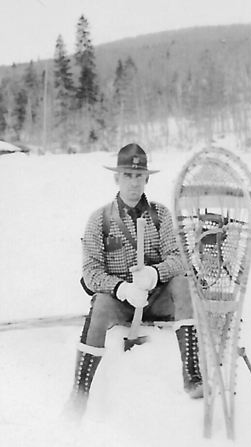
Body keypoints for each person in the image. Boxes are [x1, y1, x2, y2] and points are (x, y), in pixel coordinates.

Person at [64, 143, 203, 420]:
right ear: (117, 178)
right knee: (100, 304)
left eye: (139, 176)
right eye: (127, 175)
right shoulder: (99, 220)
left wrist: (154, 274)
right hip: (121, 303)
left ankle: (193, 375)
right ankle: (79, 393)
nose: (133, 183)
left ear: (147, 179)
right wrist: (122, 289)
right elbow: (91, 273)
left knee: (184, 284)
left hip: (158, 298)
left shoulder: (161, 215)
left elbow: (179, 259)